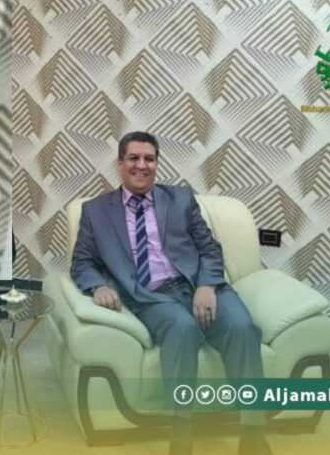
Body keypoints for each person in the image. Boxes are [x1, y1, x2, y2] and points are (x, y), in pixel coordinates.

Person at [70, 132, 271, 455]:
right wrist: (98, 285)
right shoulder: (96, 211)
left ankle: (252, 431)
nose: (142, 165)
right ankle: (181, 430)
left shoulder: (180, 198)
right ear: (120, 164)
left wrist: (206, 284)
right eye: (134, 158)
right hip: (151, 295)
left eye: (149, 159)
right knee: (182, 328)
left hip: (200, 285)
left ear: (156, 163)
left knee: (242, 328)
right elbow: (82, 261)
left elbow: (209, 248)